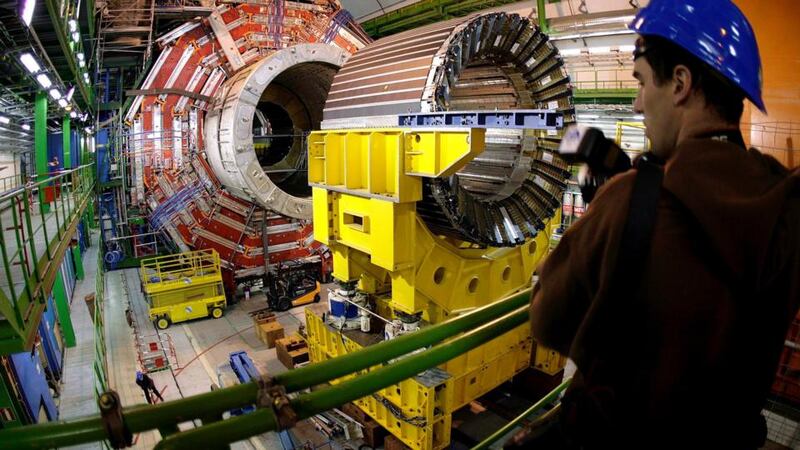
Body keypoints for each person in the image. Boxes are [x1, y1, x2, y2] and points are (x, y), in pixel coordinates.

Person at [528, 0, 800, 448]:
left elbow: (548, 320)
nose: (637, 104)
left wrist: (603, 212)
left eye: (640, 82)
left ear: (680, 83)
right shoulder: (785, 205)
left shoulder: (630, 201)